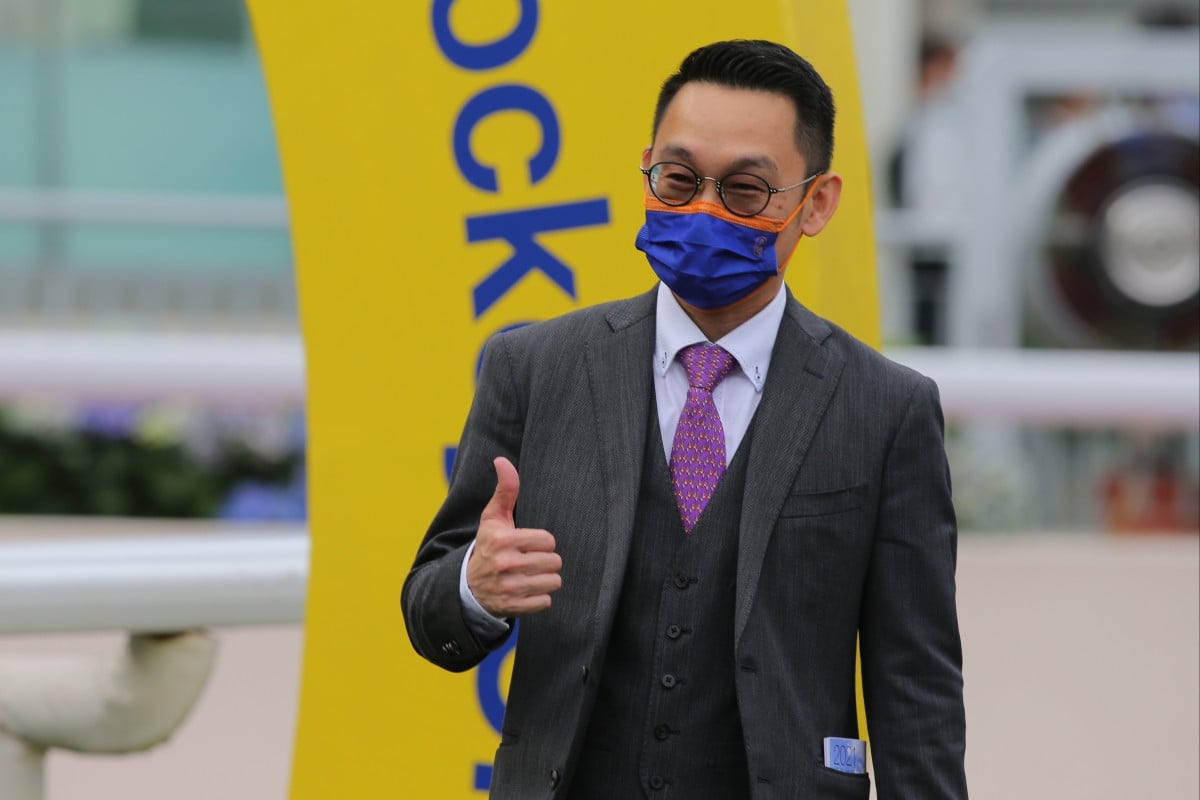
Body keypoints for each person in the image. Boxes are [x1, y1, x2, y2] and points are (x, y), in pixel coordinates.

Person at [403, 39, 967, 799]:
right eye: (677, 180)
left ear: (817, 202)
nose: (702, 210)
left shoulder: (886, 408)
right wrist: (473, 583)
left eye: (743, 190)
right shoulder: (533, 368)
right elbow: (428, 607)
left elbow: (915, 686)